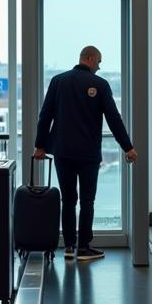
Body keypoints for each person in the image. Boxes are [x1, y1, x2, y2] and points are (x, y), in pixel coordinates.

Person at [34, 45, 138, 262]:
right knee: (87, 200)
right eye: (98, 62)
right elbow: (113, 119)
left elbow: (45, 116)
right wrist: (127, 147)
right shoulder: (99, 85)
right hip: (88, 154)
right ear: (90, 59)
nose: (99, 67)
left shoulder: (58, 81)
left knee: (68, 199)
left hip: (62, 152)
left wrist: (40, 146)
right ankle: (83, 248)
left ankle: (70, 246)